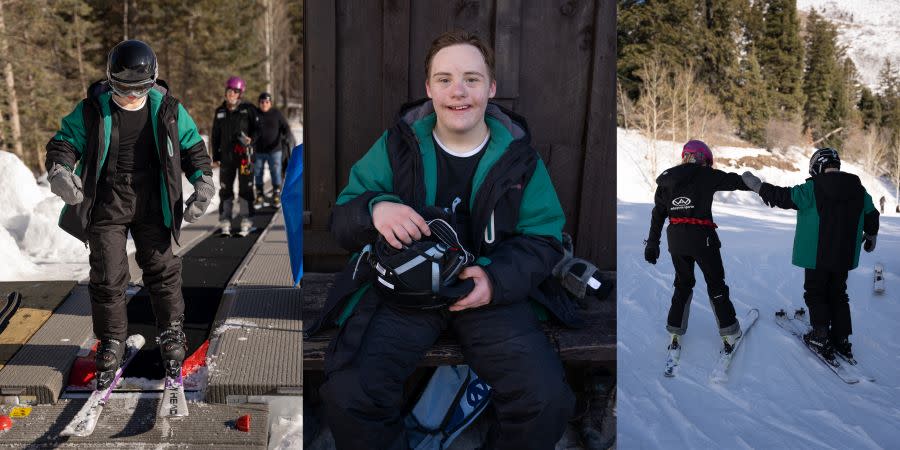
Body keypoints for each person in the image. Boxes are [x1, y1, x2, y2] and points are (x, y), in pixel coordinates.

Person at [307, 30, 576, 449]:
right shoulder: (399, 145)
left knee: (545, 401)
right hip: (405, 295)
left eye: (471, 78)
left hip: (486, 294)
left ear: (491, 88)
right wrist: (376, 209)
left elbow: (544, 238)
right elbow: (343, 218)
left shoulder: (518, 156)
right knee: (351, 398)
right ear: (429, 88)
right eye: (445, 79)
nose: (458, 91)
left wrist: (494, 281)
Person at [45, 40, 213, 388]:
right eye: (123, 90)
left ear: (152, 83)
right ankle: (111, 342)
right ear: (111, 83)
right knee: (108, 273)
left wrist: (204, 182)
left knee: (162, 268)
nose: (131, 97)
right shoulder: (92, 109)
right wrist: (60, 170)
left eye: (139, 90)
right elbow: (64, 142)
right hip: (108, 201)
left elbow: (193, 146)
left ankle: (171, 332)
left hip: (153, 201)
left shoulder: (167, 108)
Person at [742, 148, 879, 361]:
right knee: (838, 293)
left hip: (817, 255)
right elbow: (872, 214)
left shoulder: (813, 187)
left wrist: (758, 187)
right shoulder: (859, 190)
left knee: (816, 292)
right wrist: (871, 236)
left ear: (817, 166)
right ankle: (842, 339)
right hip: (843, 256)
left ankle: (820, 336)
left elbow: (783, 197)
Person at [644, 140, 751, 353]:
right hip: (703, 239)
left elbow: (658, 215)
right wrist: (752, 182)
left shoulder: (667, 180)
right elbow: (734, 181)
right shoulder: (705, 175)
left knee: (682, 284)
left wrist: (653, 244)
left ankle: (675, 331)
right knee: (715, 283)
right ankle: (730, 332)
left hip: (676, 241)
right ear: (702, 158)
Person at [211, 76, 258, 235]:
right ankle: (225, 220)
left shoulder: (248, 109)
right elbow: (215, 135)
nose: (231, 94)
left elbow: (258, 129)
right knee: (225, 189)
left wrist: (252, 140)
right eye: (229, 91)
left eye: (235, 92)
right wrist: (215, 156)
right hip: (226, 157)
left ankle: (246, 220)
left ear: (240, 94)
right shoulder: (220, 112)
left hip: (245, 156)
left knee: (245, 188)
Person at [253, 92, 294, 209]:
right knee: (258, 172)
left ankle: (276, 194)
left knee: (275, 171)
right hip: (259, 150)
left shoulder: (276, 113)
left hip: (275, 149)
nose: (264, 104)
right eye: (262, 102)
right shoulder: (255, 114)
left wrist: (286, 137)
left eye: (267, 102)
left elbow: (286, 127)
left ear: (270, 103)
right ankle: (260, 195)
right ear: (259, 103)